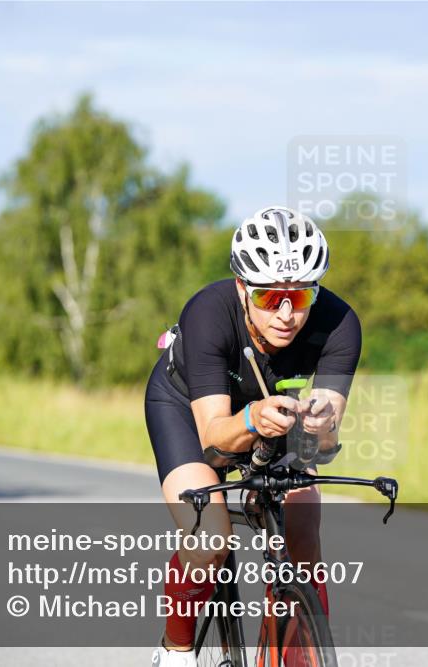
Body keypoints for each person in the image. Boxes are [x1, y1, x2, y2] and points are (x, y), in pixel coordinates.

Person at [145, 205, 361, 666]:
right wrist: (251, 421)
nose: (286, 315)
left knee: (302, 521)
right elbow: (214, 442)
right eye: (268, 299)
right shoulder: (208, 312)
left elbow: (320, 448)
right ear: (243, 288)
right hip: (190, 409)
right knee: (210, 537)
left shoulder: (340, 325)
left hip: (272, 413)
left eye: (300, 298)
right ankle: (176, 650)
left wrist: (320, 430)